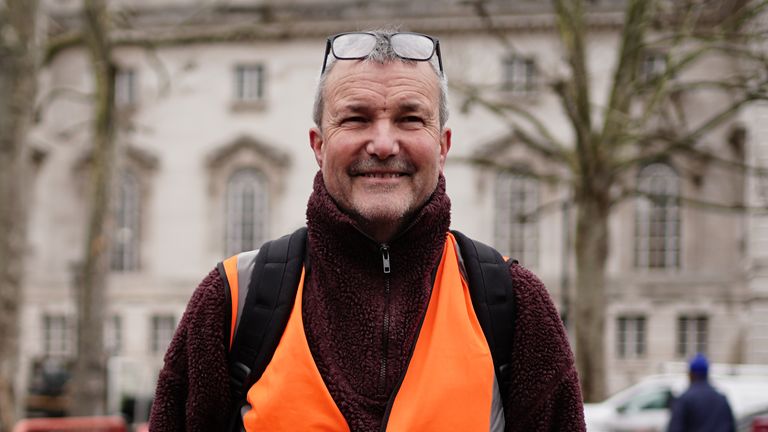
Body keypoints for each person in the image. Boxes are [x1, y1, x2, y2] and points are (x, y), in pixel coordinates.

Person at [149, 29, 585, 431]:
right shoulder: (232, 301)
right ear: (318, 146)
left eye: (410, 119)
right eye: (356, 118)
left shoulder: (515, 305)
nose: (382, 144)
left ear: (443, 145)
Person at [667, 354, 735, 432]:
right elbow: (731, 427)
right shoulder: (722, 399)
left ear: (690, 374)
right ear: (707, 373)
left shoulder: (684, 400)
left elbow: (675, 428)